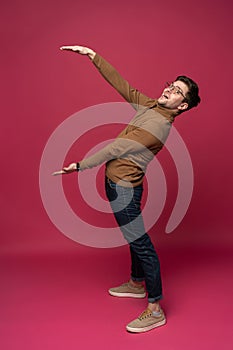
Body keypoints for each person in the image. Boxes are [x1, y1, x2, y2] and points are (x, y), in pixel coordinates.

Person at [57, 45, 201, 333]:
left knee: (141, 244)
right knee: (133, 236)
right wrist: (93, 55)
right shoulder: (150, 106)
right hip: (117, 185)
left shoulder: (159, 125)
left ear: (182, 105)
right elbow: (123, 85)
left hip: (125, 189)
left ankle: (155, 307)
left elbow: (117, 147)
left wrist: (81, 165)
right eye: (170, 85)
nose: (169, 90)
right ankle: (136, 283)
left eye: (176, 92)